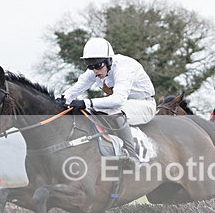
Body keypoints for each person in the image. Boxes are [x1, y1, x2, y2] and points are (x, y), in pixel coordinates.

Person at [62, 37, 156, 165]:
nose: (95, 71)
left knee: (115, 111)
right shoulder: (96, 69)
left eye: (98, 65)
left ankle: (133, 157)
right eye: (91, 66)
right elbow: (75, 89)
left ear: (109, 60)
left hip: (144, 105)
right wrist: (63, 99)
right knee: (91, 112)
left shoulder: (124, 67)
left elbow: (118, 100)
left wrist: (86, 102)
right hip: (125, 104)